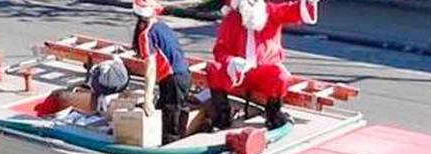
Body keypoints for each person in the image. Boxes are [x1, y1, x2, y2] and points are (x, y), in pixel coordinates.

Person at [207, 0, 321, 130]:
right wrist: (231, 61)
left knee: (281, 76)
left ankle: (273, 114)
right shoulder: (232, 19)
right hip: (238, 73)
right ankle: (223, 115)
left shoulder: (271, 12)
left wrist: (309, 2)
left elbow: (293, 10)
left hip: (264, 72)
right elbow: (220, 50)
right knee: (214, 69)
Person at [132, 0, 193, 144]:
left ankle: (171, 148)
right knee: (174, 112)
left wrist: (147, 98)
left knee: (170, 121)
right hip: (182, 75)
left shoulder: (146, 35)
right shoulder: (162, 26)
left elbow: (151, 67)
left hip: (172, 78)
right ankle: (178, 140)